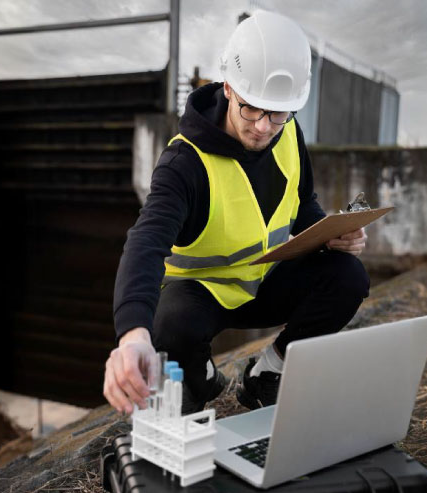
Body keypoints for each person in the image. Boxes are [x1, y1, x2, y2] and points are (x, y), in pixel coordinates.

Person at [103, 11, 369, 416]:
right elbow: (146, 241)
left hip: (265, 282)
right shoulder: (184, 163)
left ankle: (267, 375)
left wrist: (333, 232)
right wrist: (131, 336)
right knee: (168, 325)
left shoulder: (288, 132)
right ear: (229, 88)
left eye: (278, 113)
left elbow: (302, 205)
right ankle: (202, 379)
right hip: (200, 297)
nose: (264, 127)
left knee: (348, 277)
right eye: (251, 109)